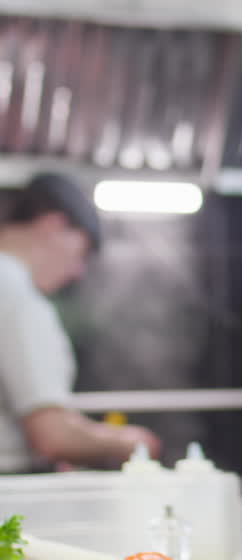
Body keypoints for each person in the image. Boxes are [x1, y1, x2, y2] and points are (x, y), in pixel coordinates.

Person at [0, 173, 160, 473]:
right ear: (54, 225)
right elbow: (52, 435)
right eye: (81, 253)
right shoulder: (17, 296)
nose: (78, 272)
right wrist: (131, 441)